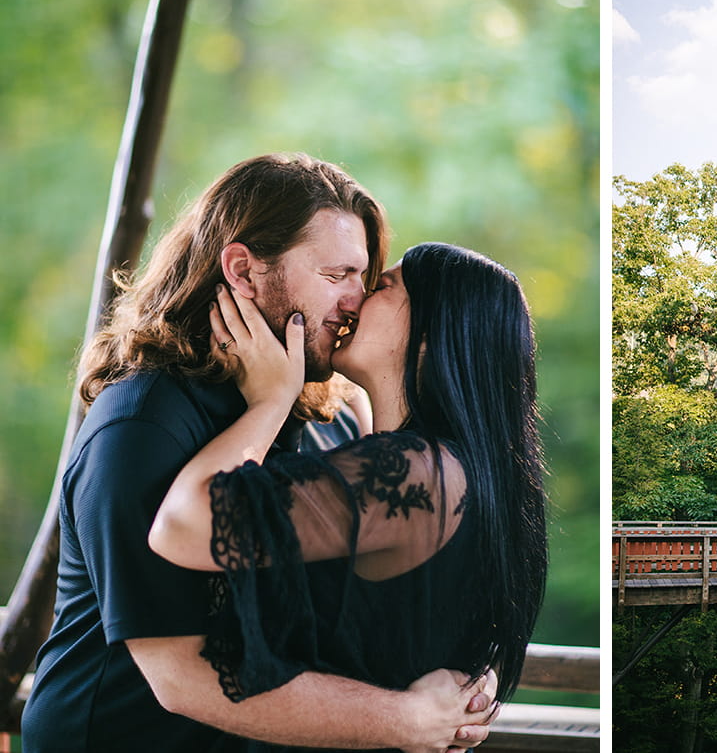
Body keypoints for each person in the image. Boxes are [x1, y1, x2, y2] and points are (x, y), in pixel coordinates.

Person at [22, 154, 497, 752]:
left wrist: (464, 680)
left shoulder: (328, 419)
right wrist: (406, 719)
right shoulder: (144, 425)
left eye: (366, 277)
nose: (357, 299)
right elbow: (178, 677)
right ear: (244, 272)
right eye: (337, 275)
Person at [147, 241, 548, 731]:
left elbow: (181, 527)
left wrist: (270, 403)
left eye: (382, 287)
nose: (355, 300)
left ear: (429, 335)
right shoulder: (466, 470)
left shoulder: (413, 471)